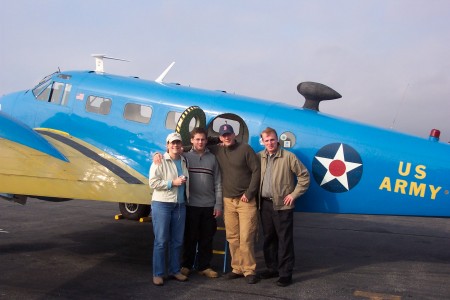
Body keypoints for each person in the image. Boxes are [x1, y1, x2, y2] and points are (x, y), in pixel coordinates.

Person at [257, 127, 310, 287]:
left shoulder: (288, 157)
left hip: (282, 206)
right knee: (268, 238)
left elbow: (304, 176)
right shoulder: (259, 157)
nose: (270, 143)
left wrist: (293, 195)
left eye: (272, 139)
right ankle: (272, 268)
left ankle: (286, 273)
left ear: (277, 140)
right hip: (265, 204)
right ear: (263, 142)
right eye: (267, 140)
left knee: (284, 240)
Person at [209, 124, 261, 284]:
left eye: (229, 134)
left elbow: (257, 170)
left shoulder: (245, 149)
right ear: (220, 137)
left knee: (246, 237)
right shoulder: (217, 150)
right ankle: (237, 268)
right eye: (223, 135)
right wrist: (162, 153)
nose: (226, 137)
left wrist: (249, 192)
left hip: (245, 201)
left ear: (234, 134)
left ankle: (249, 270)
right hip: (228, 201)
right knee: (232, 237)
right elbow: (198, 145)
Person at [179, 127, 223, 279]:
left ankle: (204, 266)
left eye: (203, 139)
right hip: (191, 205)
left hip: (209, 205)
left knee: (207, 238)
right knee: (190, 237)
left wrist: (218, 204)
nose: (200, 142)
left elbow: (218, 182)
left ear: (206, 141)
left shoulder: (212, 158)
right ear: (191, 140)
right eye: (197, 139)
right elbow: (169, 153)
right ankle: (186, 265)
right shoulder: (184, 156)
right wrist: (157, 155)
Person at [148, 132, 189, 286]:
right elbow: (153, 183)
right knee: (161, 241)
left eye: (178, 143)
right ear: (167, 145)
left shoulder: (184, 160)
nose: (175, 145)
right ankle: (158, 273)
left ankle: (175, 270)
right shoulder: (159, 161)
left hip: (180, 205)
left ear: (181, 145)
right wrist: (172, 183)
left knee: (177, 241)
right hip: (162, 204)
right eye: (172, 143)